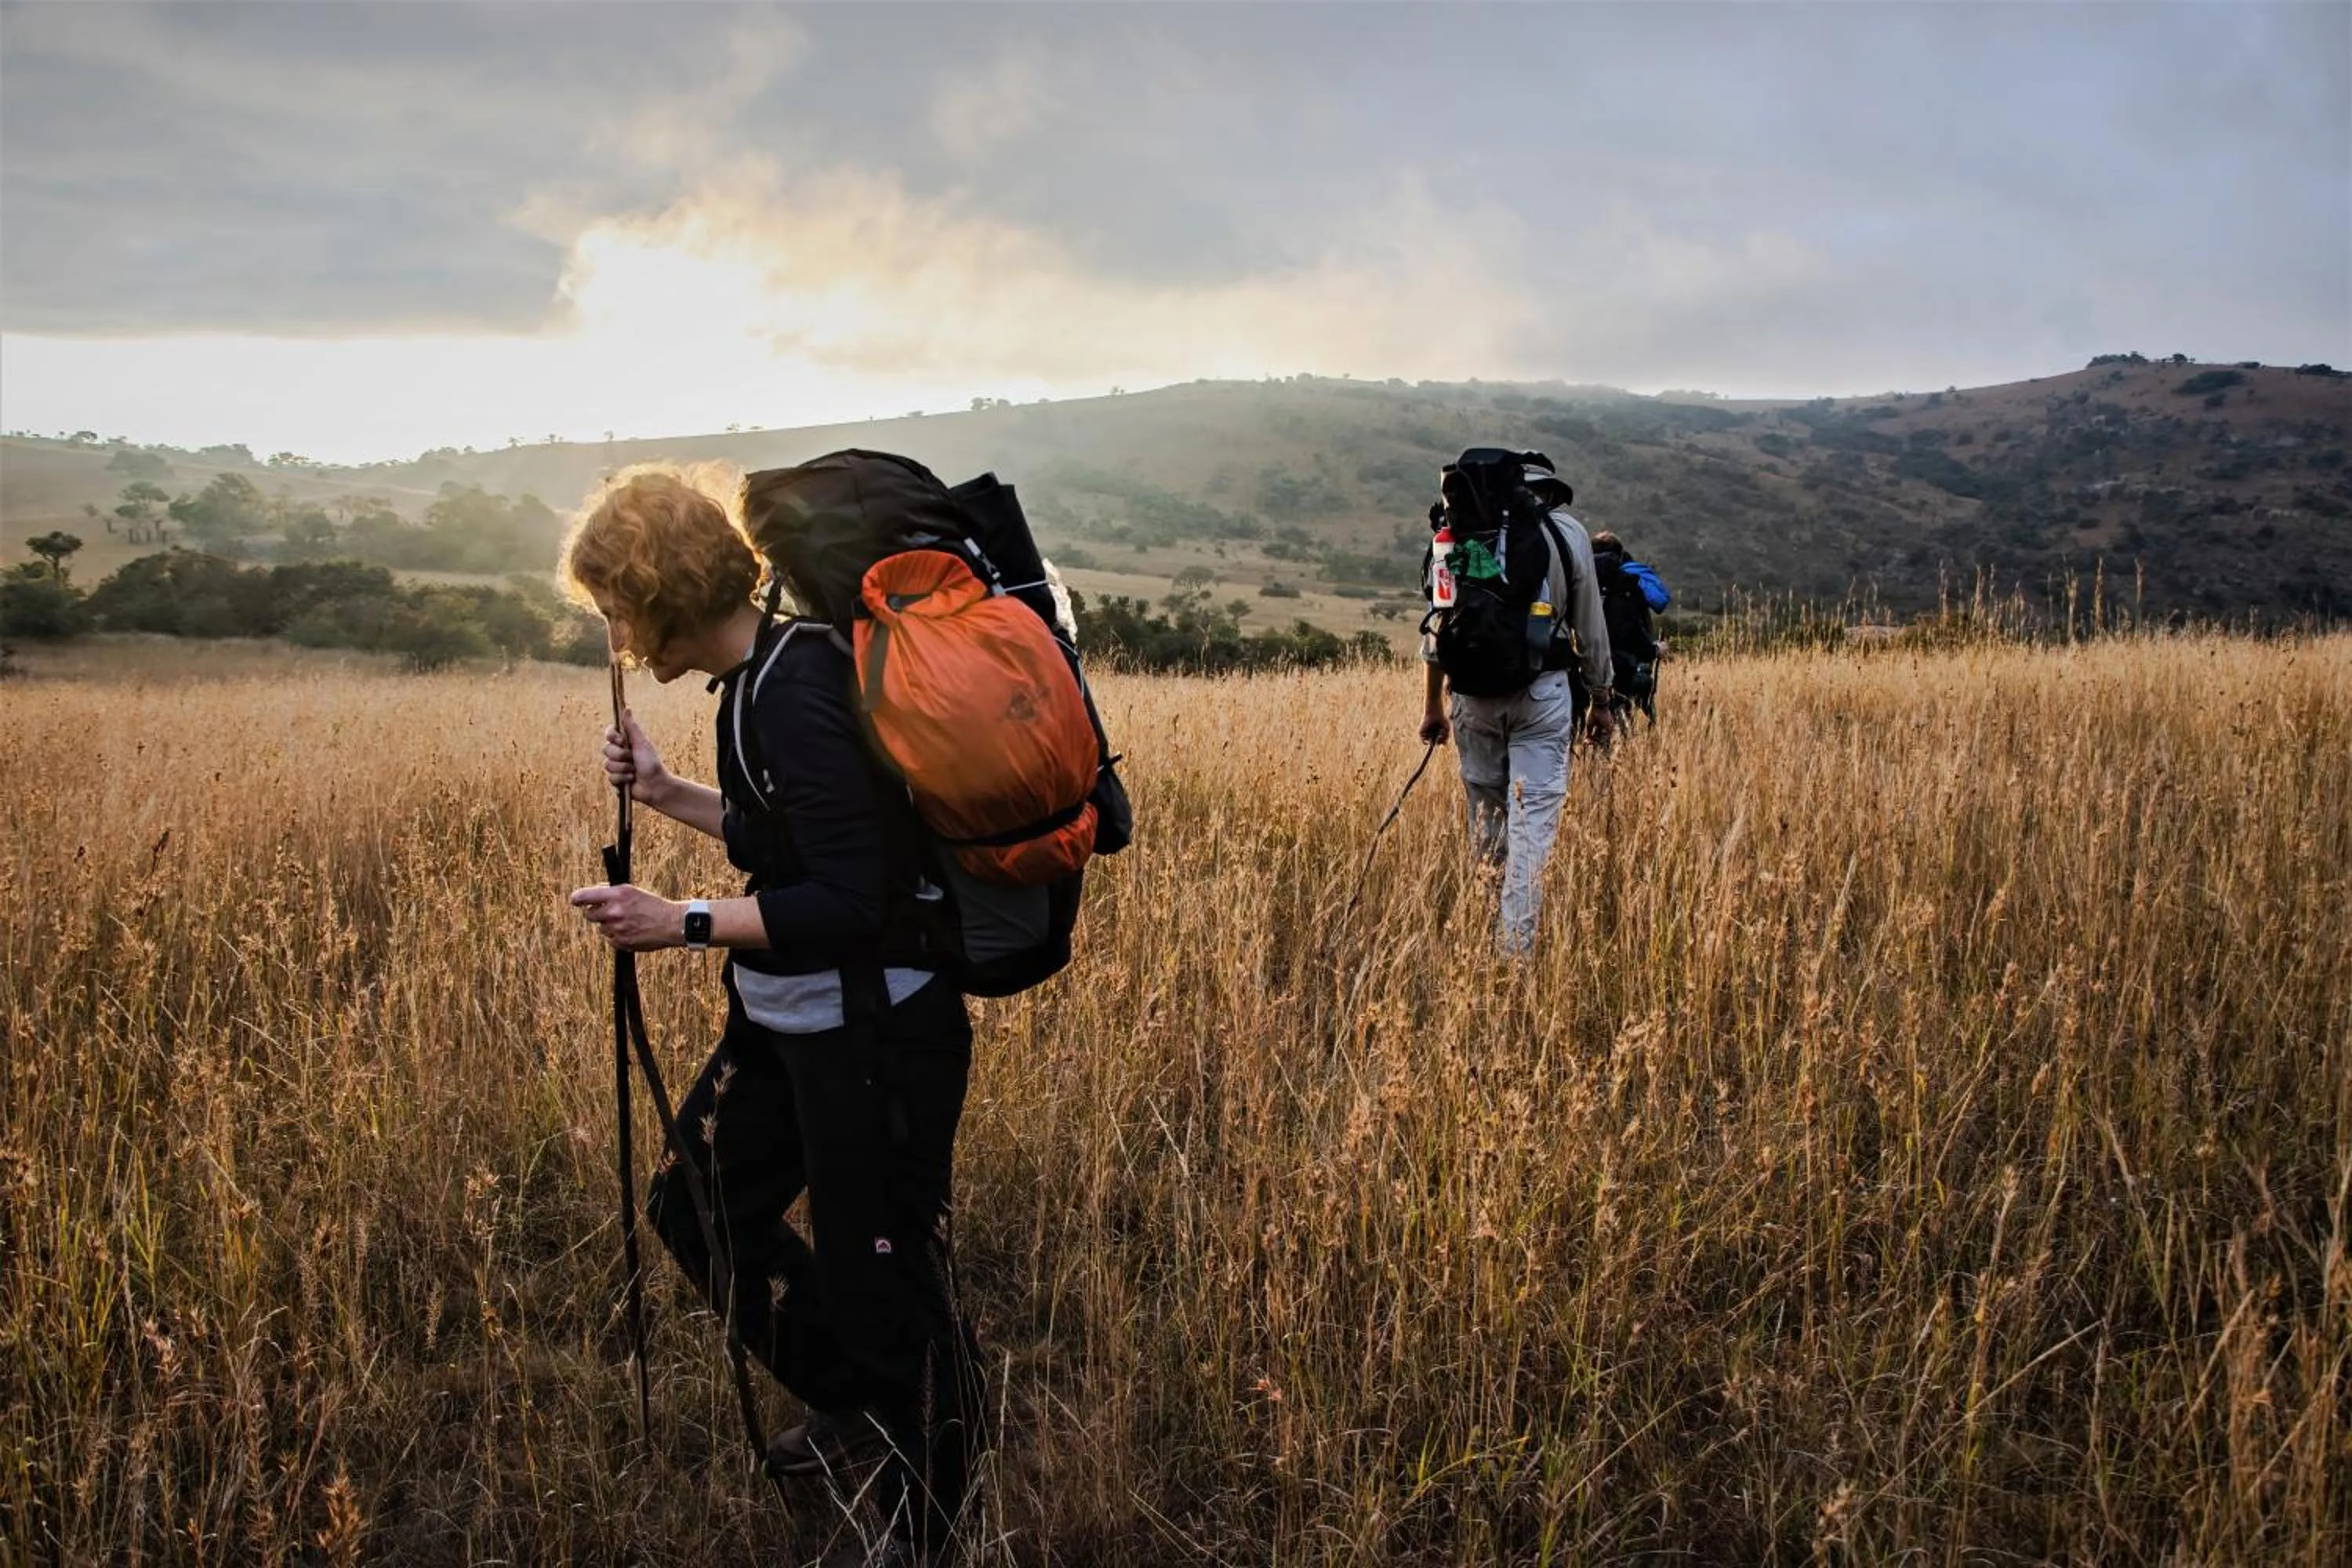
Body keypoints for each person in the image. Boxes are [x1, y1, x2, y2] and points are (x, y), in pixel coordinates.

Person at [563, 466, 982, 1567]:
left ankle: (926, 1525)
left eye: (614, 601)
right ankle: (851, 1399)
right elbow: (783, 839)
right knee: (695, 1203)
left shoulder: (795, 683)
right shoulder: (759, 681)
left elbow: (850, 904)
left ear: (658, 589)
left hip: (875, 1037)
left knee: (883, 1273)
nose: (610, 628)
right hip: (792, 1019)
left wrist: (679, 921)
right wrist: (663, 794)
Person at [1418, 456, 1613, 954]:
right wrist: (1600, 698)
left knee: (1487, 826)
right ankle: (1513, 957)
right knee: (1531, 833)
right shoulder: (1567, 534)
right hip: (1543, 692)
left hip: (1471, 696)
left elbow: (1441, 622)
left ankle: (1485, 938)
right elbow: (1589, 626)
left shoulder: (1457, 532)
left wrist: (1433, 706)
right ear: (1545, 491)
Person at [1586, 529, 1671, 727]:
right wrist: (1654, 650)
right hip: (1626, 662)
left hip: (1584, 662)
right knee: (1623, 711)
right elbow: (1633, 625)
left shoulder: (1580, 577)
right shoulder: (1628, 580)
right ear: (1621, 553)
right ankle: (1626, 751)